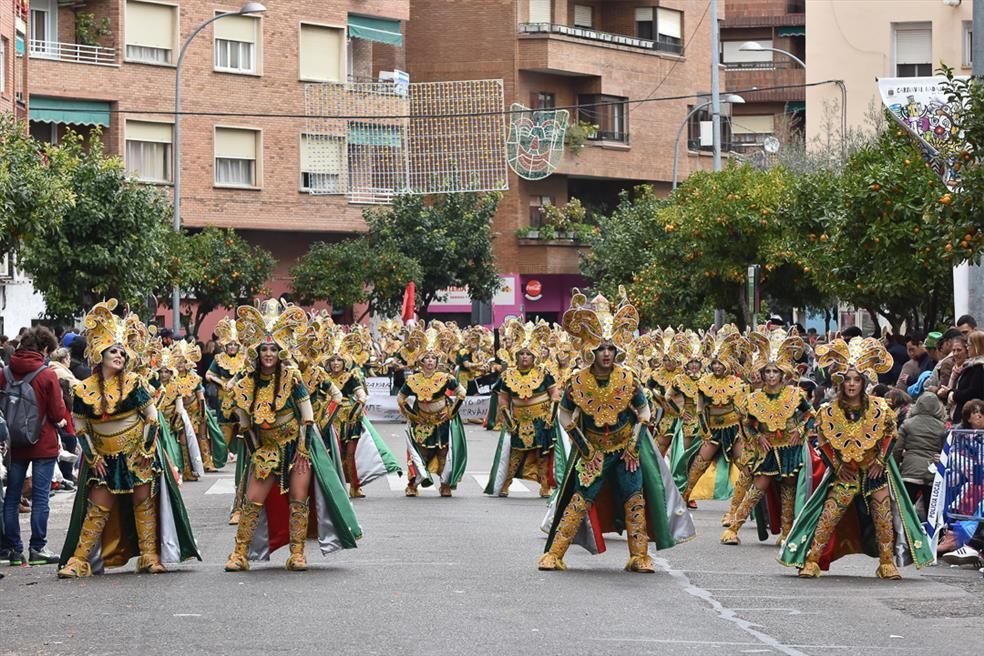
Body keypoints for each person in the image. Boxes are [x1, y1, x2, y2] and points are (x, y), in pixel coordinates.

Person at [539, 290, 693, 573]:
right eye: (601, 349)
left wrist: (634, 443)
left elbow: (644, 411)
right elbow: (563, 414)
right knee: (579, 500)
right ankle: (554, 554)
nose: (607, 354)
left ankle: (639, 556)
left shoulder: (628, 379)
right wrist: (584, 448)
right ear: (591, 351)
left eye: (610, 348)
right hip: (592, 451)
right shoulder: (578, 381)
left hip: (625, 451)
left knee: (634, 499)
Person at [58, 301, 200, 578]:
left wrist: (146, 450)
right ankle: (79, 559)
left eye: (122, 352)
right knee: (97, 507)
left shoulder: (135, 383)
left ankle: (149, 556)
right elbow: (81, 426)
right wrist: (93, 456)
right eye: (113, 351)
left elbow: (152, 417)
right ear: (100, 354)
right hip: (104, 460)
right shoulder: (84, 389)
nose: (119, 356)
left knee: (143, 504)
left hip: (137, 454)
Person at [779, 337, 934, 579]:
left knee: (883, 516)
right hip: (845, 472)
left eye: (857, 380)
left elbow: (890, 434)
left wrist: (880, 462)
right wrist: (838, 466)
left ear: (864, 382)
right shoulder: (828, 411)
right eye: (848, 379)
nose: (852, 384)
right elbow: (824, 441)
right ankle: (812, 560)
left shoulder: (879, 408)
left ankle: (886, 563)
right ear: (840, 382)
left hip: (873, 471)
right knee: (829, 515)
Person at [225, 300, 361, 572]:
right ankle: (239, 553)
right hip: (265, 449)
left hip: (296, 446)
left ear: (280, 351)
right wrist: (255, 453)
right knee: (252, 500)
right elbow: (244, 425)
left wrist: (303, 449)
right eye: (263, 349)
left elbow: (307, 416)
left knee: (299, 500)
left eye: (273, 348)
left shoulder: (293, 377)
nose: (268, 354)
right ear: (256, 352)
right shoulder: (245, 385)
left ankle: (297, 554)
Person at [721, 330, 814, 546]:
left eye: (775, 371)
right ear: (762, 374)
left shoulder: (794, 395)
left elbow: (811, 415)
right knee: (757, 488)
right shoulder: (754, 399)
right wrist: (757, 436)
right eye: (768, 371)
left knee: (788, 492)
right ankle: (733, 528)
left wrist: (800, 431)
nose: (771, 375)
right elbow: (747, 423)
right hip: (767, 450)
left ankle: (786, 533)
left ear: (783, 375)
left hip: (790, 449)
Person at [0, 327, 70, 567]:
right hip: (43, 443)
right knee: (40, 497)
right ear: (46, 349)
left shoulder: (5, 372)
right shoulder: (47, 374)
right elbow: (57, 412)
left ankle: (14, 551)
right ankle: (38, 548)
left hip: (13, 445)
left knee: (11, 497)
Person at [485, 320, 559, 498]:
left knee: (542, 454)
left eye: (528, 354)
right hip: (518, 420)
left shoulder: (545, 375)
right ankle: (506, 483)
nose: (525, 357)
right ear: (516, 356)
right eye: (522, 354)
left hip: (541, 420)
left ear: (534, 357)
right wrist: (509, 420)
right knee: (515, 454)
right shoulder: (507, 376)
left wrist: (550, 417)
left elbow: (555, 396)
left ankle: (544, 486)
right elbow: (503, 400)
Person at [397, 323, 468, 497]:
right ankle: (413, 484)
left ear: (437, 361)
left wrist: (451, 412)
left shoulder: (445, 378)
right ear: (421, 361)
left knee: (443, 452)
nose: (430, 361)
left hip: (441, 421)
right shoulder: (413, 380)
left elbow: (462, 393)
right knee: (421, 453)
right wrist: (412, 416)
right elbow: (400, 398)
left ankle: (445, 484)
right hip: (421, 422)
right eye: (426, 358)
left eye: (433, 358)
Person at [682, 327, 750, 509]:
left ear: (728, 363)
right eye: (715, 363)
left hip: (734, 430)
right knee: (698, 465)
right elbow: (700, 409)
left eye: (721, 363)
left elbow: (742, 410)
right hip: (711, 430)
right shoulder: (704, 382)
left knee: (745, 466)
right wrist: (705, 432)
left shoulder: (736, 383)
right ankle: (683, 498)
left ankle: (744, 506)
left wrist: (745, 433)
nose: (717, 366)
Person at [895, 392, 947, 521]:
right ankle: (932, 539)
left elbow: (897, 448)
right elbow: (944, 450)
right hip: (932, 473)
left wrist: (896, 469)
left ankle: (904, 538)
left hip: (909, 472)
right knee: (931, 512)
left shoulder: (907, 424)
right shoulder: (942, 427)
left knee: (903, 511)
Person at [47, 348, 80, 490]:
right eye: (68, 358)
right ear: (64, 359)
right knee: (71, 439)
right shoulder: (59, 372)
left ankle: (67, 475)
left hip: (63, 411)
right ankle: (66, 476)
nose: (70, 361)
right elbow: (77, 386)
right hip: (62, 413)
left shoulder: (56, 370)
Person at [948, 330, 984, 425]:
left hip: (971, 419)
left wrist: (953, 394)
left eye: (969, 345)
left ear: (977, 347)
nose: (967, 348)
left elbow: (972, 392)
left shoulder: (979, 368)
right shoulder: (972, 366)